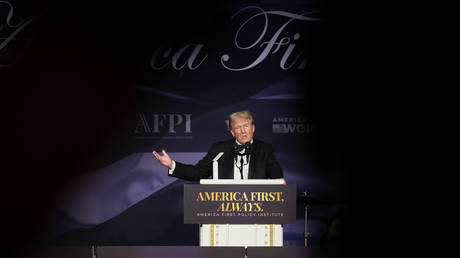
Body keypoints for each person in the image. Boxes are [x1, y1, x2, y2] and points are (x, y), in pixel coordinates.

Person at [152, 110, 284, 181]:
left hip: (258, 212)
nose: (243, 131)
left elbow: (278, 179)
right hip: (224, 212)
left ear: (253, 128)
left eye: (246, 126)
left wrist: (280, 182)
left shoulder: (265, 150)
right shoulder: (219, 150)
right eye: (238, 128)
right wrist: (171, 164)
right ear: (232, 132)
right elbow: (198, 173)